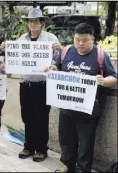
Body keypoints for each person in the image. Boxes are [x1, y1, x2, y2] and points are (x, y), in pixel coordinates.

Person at [44, 23, 117, 172]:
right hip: (66, 108)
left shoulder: (100, 55)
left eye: (84, 40)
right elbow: (57, 66)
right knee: (66, 140)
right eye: (77, 39)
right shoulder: (66, 51)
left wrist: (103, 81)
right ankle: (67, 165)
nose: (80, 43)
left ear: (93, 39)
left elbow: (114, 76)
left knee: (86, 143)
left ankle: (82, 169)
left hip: (88, 110)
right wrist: (52, 68)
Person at [0, 8, 63, 162]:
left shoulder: (50, 38)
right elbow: (16, 58)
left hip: (43, 85)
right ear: (27, 23)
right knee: (27, 116)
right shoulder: (22, 39)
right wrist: (6, 50)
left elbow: (59, 59)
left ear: (42, 23)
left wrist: (60, 50)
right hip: (25, 84)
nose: (33, 24)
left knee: (41, 118)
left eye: (36, 21)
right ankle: (28, 146)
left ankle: (41, 149)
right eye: (30, 21)